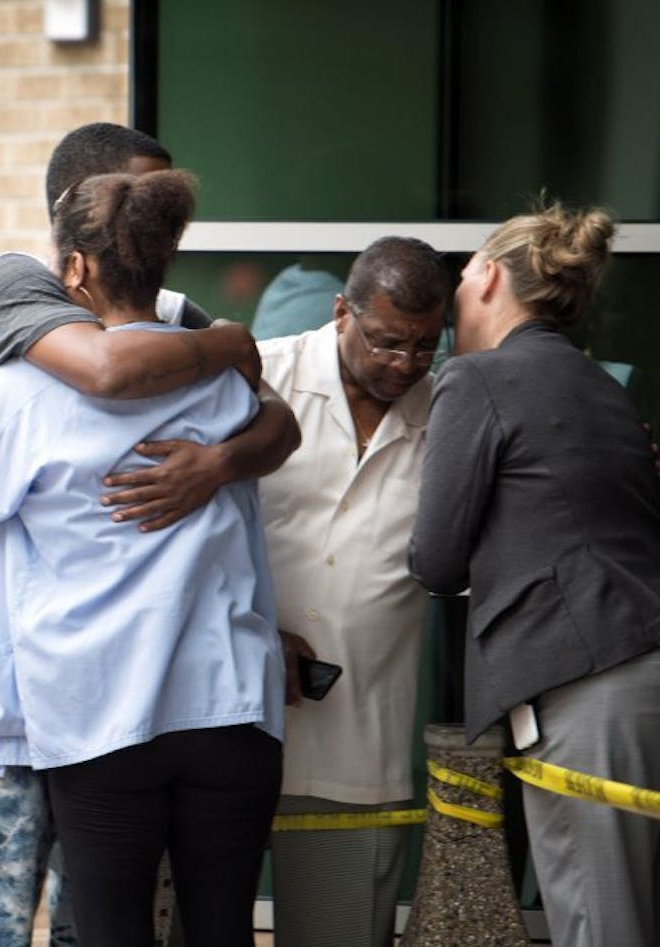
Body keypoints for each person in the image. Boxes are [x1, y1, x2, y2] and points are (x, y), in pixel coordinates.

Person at [0, 169, 289, 947]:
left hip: (101, 710)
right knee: (223, 932)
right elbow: (278, 430)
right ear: (163, 263)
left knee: (112, 931)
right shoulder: (225, 380)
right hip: (231, 700)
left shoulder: (24, 392)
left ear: (74, 269)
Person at [408, 203, 660, 947]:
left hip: (593, 674)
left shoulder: (477, 378)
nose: (452, 296)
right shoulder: (605, 387)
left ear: (488, 276)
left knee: (602, 924)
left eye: (460, 277)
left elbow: (436, 559)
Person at [257, 237, 448, 946]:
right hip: (231, 734)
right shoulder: (260, 377)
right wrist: (248, 630)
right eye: (387, 341)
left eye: (425, 345)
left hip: (358, 755)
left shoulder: (449, 413)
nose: (405, 363)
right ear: (343, 311)